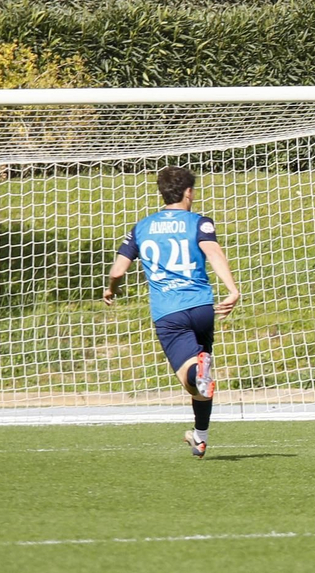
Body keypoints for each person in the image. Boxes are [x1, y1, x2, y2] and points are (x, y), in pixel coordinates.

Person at [104, 166, 242, 458]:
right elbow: (214, 252)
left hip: (170, 314)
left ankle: (196, 373)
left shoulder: (141, 227)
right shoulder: (199, 222)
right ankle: (200, 437)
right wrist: (232, 289)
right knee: (202, 384)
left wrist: (111, 290)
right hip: (203, 307)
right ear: (189, 192)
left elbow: (118, 270)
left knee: (191, 378)